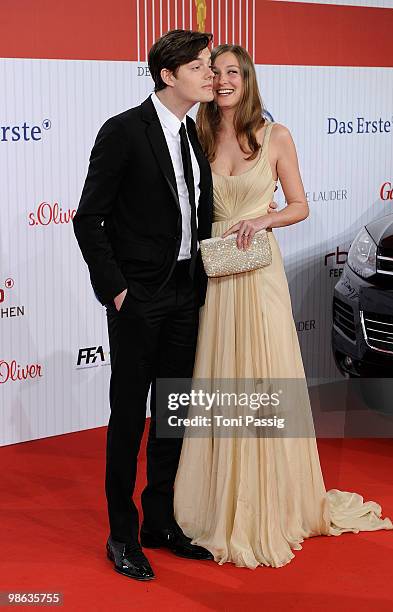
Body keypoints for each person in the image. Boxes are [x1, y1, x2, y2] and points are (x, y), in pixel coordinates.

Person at [173, 44, 393, 569]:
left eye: (233, 72)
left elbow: (299, 205)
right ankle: (214, 500)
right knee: (217, 375)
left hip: (259, 273)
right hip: (215, 273)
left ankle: (270, 501)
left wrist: (261, 220)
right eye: (215, 71)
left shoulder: (276, 137)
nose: (223, 79)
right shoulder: (196, 136)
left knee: (265, 375)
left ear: (248, 81)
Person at [73, 29, 216, 581]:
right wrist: (117, 288)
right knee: (129, 418)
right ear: (168, 74)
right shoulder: (124, 131)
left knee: (172, 415)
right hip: (139, 297)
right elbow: (89, 217)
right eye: (200, 67)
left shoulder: (194, 134)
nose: (211, 75)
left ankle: (160, 522)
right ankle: (122, 535)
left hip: (186, 291)